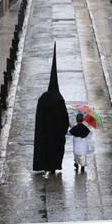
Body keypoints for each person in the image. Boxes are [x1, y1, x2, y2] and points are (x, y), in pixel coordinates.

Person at [33, 43, 70, 178]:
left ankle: (45, 165)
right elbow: (64, 119)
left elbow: (38, 120)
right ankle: (54, 167)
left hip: (45, 135)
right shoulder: (59, 100)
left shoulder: (43, 99)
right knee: (55, 149)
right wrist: (64, 128)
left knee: (46, 148)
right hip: (56, 135)